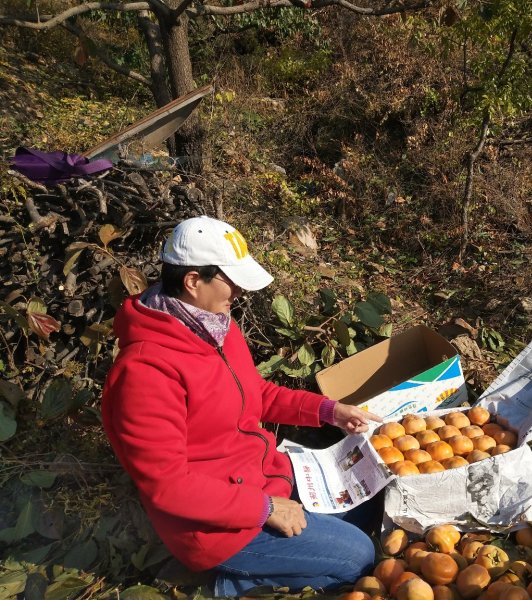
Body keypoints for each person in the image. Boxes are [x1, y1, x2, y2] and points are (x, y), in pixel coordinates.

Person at [101, 215, 383, 596]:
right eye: (231, 281)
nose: (239, 292)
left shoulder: (216, 325)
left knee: (372, 504)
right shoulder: (145, 372)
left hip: (262, 475)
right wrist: (266, 509)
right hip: (217, 526)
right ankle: (232, 583)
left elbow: (257, 394)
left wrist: (329, 410)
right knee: (361, 558)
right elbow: (168, 486)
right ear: (193, 281)